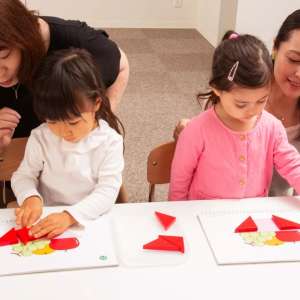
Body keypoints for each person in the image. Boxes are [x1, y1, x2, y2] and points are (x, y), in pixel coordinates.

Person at [173, 10, 300, 197]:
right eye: (241, 104)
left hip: (252, 217)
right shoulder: (196, 130)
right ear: (217, 88)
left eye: (261, 101)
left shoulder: (272, 127)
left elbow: (291, 164)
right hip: (203, 217)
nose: (253, 111)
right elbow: (179, 183)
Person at [11, 48, 124, 238]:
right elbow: (23, 175)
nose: (64, 132)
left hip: (89, 219)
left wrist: (70, 216)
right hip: (47, 219)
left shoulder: (110, 142)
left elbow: (107, 192)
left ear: (96, 103)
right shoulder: (41, 136)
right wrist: (30, 197)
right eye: (52, 121)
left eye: (73, 122)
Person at [0, 0, 129, 151]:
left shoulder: (74, 41)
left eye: (5, 56)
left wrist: (97, 123)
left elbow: (122, 64)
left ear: (24, 38)